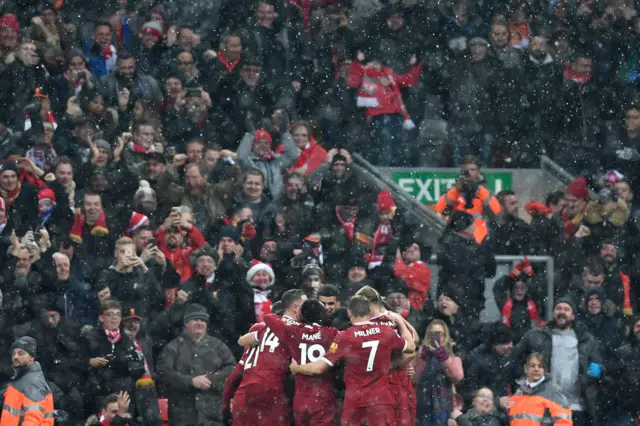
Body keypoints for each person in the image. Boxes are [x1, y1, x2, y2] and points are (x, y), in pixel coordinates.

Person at [289, 295, 415, 426]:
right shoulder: (387, 332)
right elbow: (411, 347)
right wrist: (400, 321)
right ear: (370, 311)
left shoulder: (344, 337)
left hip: (355, 401)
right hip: (381, 401)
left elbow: (318, 368)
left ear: (349, 313)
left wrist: (296, 368)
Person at [508, 298, 604, 426]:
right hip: (546, 405)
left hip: (578, 407)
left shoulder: (587, 339)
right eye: (558, 308)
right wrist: (525, 381)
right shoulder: (535, 335)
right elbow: (512, 361)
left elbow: (602, 366)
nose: (562, 312)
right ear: (553, 313)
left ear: (573, 315)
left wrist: (600, 370)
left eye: (566, 309)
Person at [232, 289, 307, 425]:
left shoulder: (268, 326)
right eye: (305, 304)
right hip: (273, 389)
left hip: (248, 386)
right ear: (296, 307)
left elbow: (242, 341)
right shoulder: (300, 330)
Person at [157, 303, 236, 426]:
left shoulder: (219, 346)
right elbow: (164, 373)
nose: (200, 323)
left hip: (212, 416)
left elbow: (232, 369)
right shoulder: (173, 347)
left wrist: (211, 379)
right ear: (186, 324)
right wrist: (191, 382)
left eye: (203, 320)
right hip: (182, 416)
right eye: (195, 319)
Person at [263, 299, 339, 426]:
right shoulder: (332, 333)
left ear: (301, 315)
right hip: (323, 396)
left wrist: (295, 318)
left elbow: (269, 318)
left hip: (301, 398)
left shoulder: (292, 331)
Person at [434, 155, 501, 244]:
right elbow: (441, 210)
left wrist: (478, 189)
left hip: (479, 240)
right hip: (456, 240)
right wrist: (456, 190)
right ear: (461, 171)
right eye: (466, 170)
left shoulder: (484, 192)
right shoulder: (454, 191)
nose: (469, 173)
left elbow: (495, 212)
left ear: (478, 172)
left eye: (472, 170)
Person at [412, 319, 464, 426]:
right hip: (422, 406)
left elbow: (458, 377)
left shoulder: (452, 356)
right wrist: (423, 358)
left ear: (445, 336)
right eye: (433, 333)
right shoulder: (419, 355)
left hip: (444, 406)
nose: (436, 336)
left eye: (439, 333)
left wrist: (443, 356)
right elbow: (414, 378)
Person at [0, 336, 55, 425]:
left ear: (32, 357)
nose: (16, 357)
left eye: (21, 353)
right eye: (14, 353)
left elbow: (33, 418)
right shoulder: (21, 379)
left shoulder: (32, 382)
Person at [507, 352, 573, 426]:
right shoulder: (518, 392)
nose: (536, 369)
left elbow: (564, 423)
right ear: (526, 368)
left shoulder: (555, 392)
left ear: (545, 370)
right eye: (532, 366)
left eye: (540, 366)